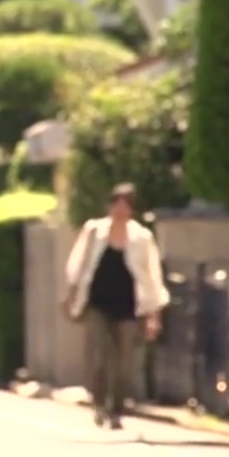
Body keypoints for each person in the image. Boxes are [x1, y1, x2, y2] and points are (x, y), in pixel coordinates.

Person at [62, 183, 170, 430]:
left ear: (132, 210)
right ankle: (99, 404)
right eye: (116, 205)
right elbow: (78, 265)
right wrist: (71, 297)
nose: (120, 210)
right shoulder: (94, 231)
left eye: (126, 206)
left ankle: (116, 410)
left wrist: (154, 315)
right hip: (98, 303)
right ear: (109, 207)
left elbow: (152, 276)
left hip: (128, 305)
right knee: (98, 357)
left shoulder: (142, 238)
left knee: (124, 364)